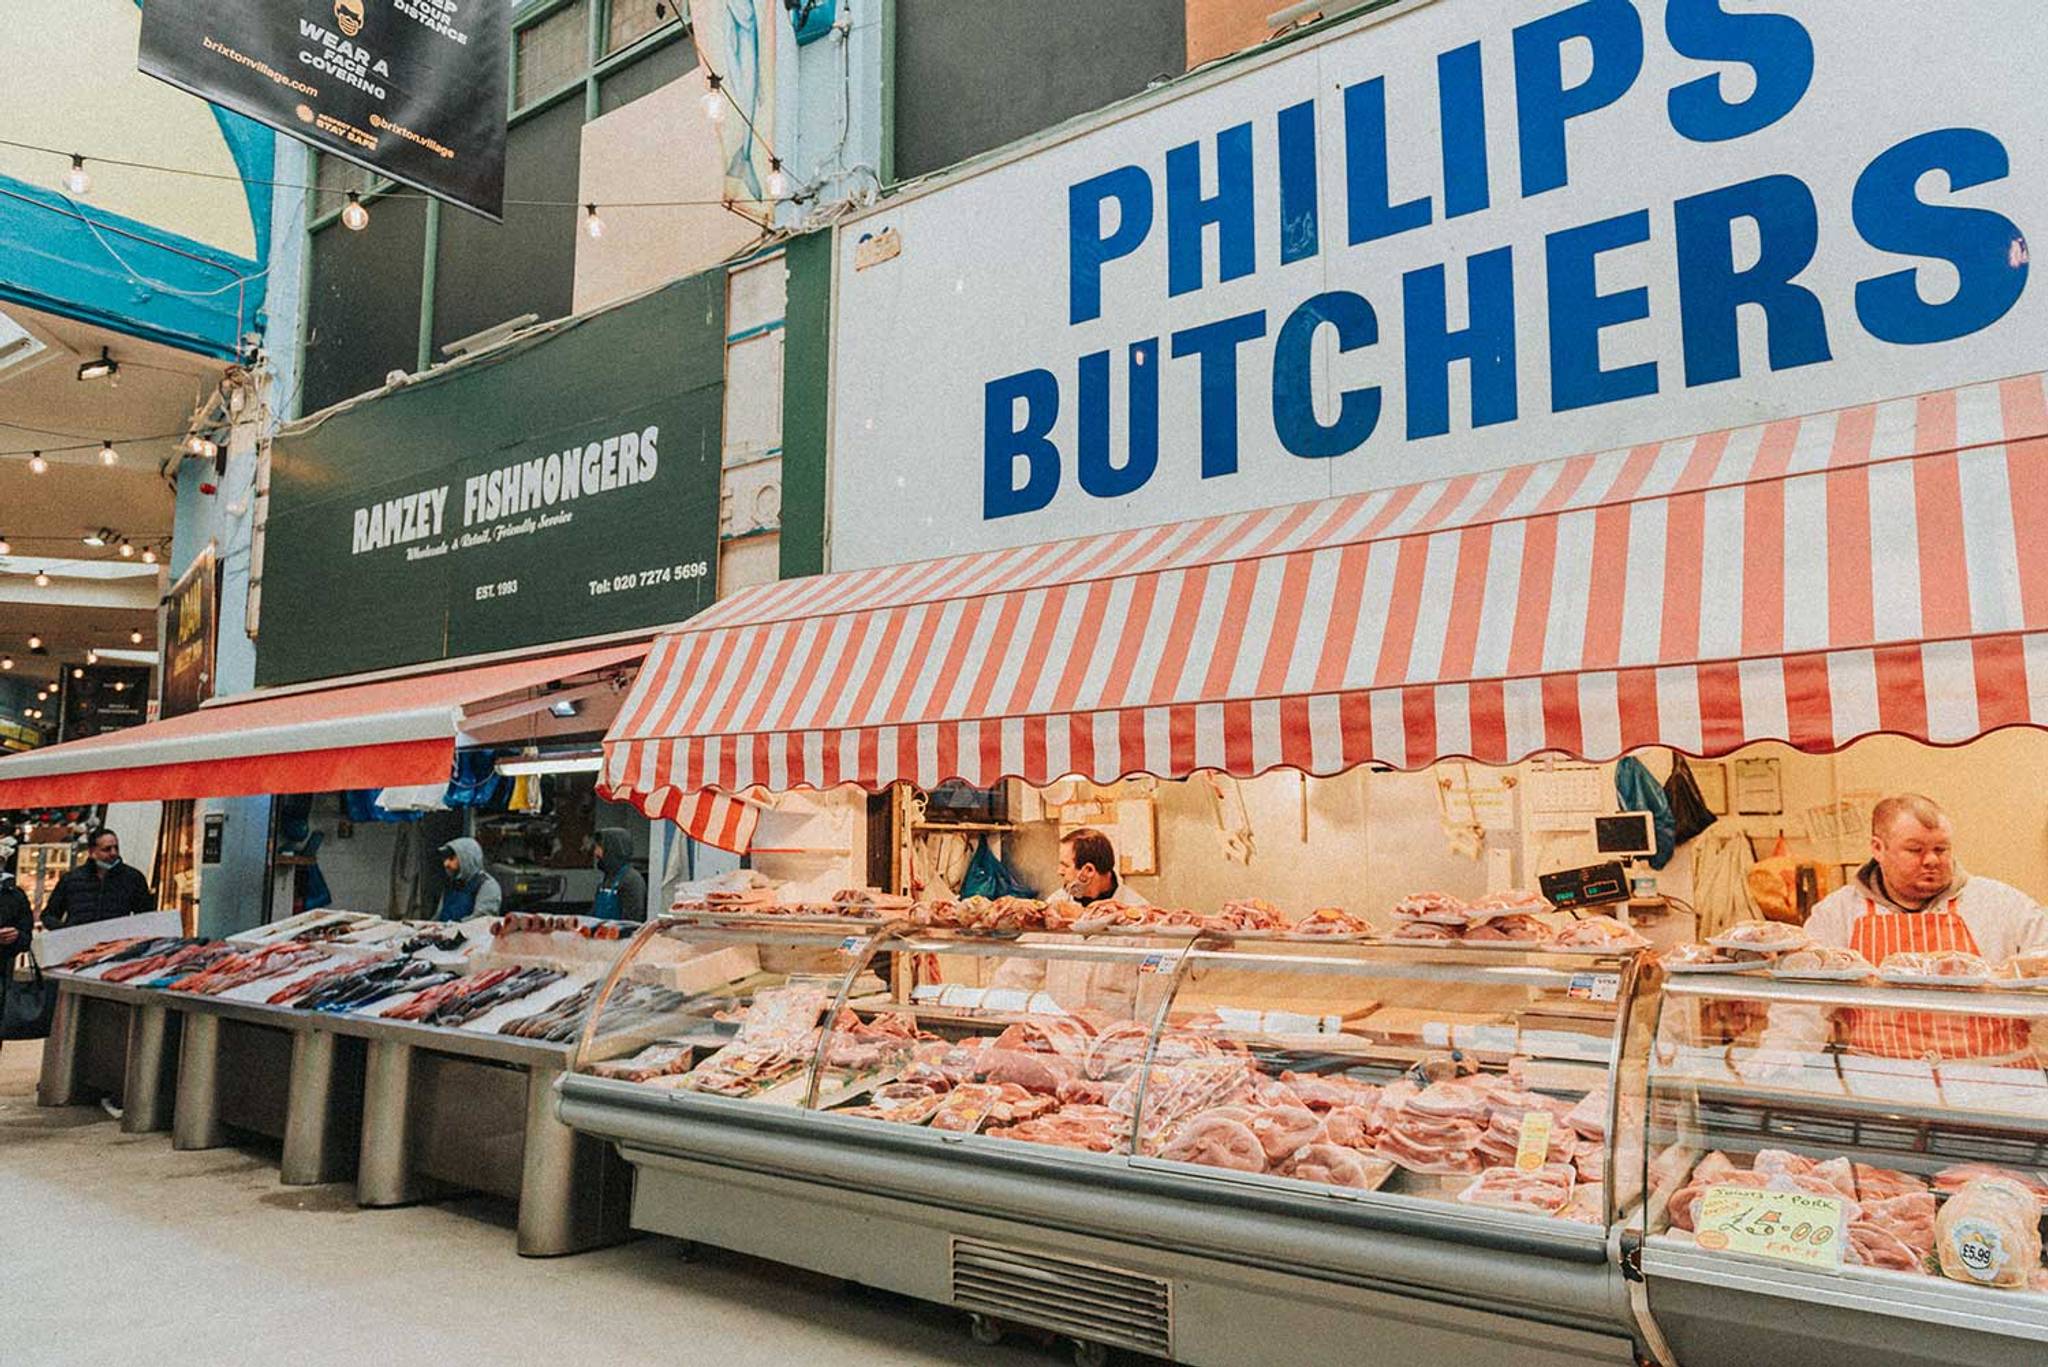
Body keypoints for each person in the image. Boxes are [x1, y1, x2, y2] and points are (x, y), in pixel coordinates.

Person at [1758, 794, 2048, 1063]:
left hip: (1994, 1083)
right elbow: (1802, 1003)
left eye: (1941, 849)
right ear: (1877, 848)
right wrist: (1779, 1057)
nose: (1932, 860)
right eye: (1915, 849)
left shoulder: (2004, 905)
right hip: (1880, 1084)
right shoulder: (1838, 913)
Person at [991, 828, 1151, 1015]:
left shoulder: (1138, 916)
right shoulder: (1055, 907)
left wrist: (1144, 1039)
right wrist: (984, 1004)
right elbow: (1020, 968)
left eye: (1065, 865)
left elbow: (1151, 996)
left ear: (1088, 871)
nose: (1059, 871)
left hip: (1111, 1037)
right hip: (1060, 1033)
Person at [41, 828, 155, 929]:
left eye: (116, 848)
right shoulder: (71, 879)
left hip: (116, 945)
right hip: (79, 945)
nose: (113, 853)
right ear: (92, 852)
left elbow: (147, 917)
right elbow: (49, 915)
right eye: (107, 849)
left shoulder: (132, 878)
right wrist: (66, 930)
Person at [435, 837, 503, 921]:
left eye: (452, 859)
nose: (446, 864)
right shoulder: (452, 884)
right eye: (445, 859)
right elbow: (439, 915)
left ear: (467, 858)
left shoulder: (487, 886)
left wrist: (453, 927)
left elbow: (481, 920)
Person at [592, 826, 647, 922]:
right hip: (599, 935)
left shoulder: (632, 880)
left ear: (612, 849)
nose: (596, 852)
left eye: (599, 848)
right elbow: (594, 912)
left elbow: (632, 921)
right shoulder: (606, 878)